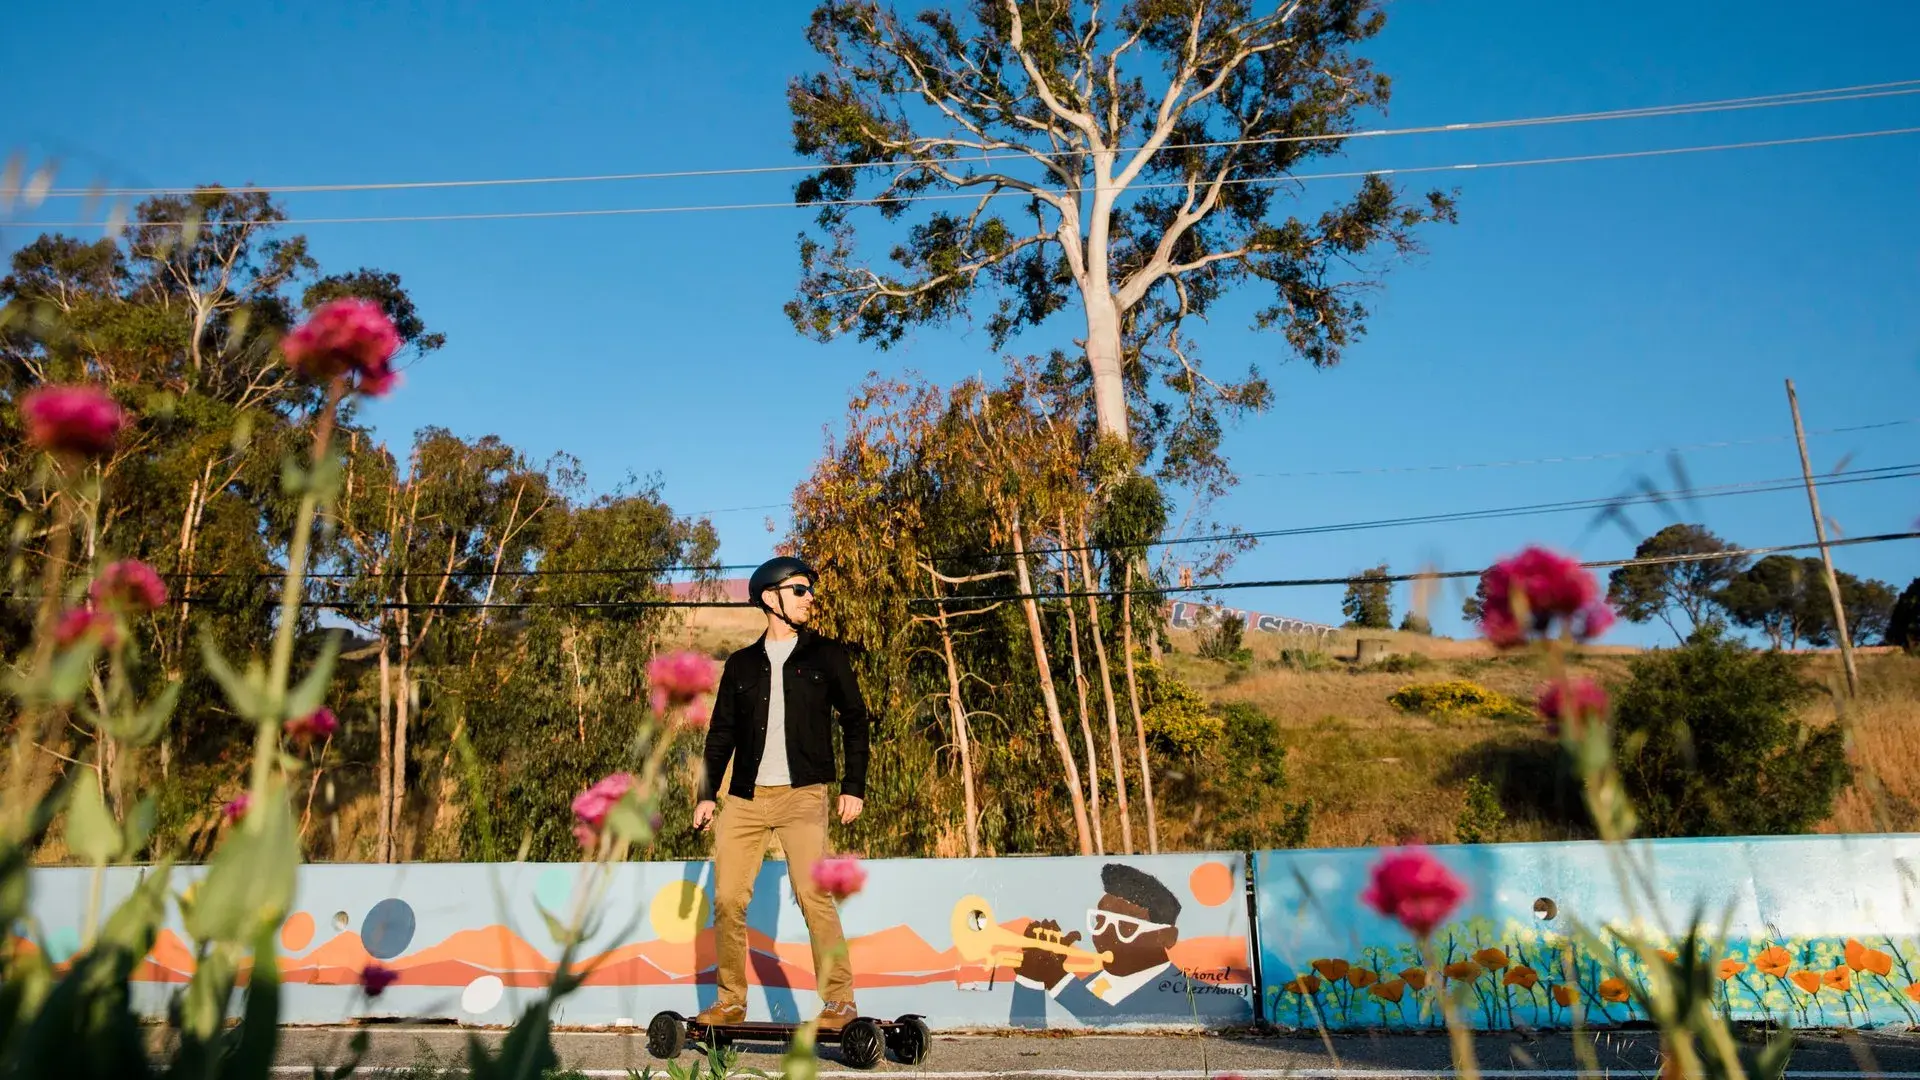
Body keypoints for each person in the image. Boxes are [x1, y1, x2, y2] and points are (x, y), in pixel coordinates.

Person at [692, 555, 872, 1030]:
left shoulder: (827, 656)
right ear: (771, 598)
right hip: (745, 799)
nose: (810, 597)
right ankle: (730, 1002)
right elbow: (720, 733)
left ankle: (840, 1002)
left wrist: (854, 786)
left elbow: (855, 720)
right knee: (728, 899)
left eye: (810, 589)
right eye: (799, 590)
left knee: (813, 894)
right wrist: (707, 794)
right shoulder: (741, 664)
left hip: (803, 796)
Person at [1009, 863, 1252, 1027]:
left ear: (1166, 937)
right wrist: (1030, 976)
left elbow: (1112, 1026)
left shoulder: (1220, 1004)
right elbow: (1028, 1044)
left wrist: (1057, 978)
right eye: (1100, 922)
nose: (1105, 936)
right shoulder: (1088, 984)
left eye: (1125, 928)